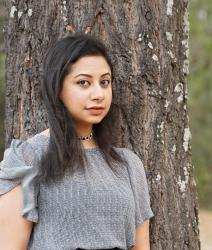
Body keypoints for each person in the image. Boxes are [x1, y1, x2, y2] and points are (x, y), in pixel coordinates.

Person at [0, 32, 154, 250]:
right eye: (84, 83)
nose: (99, 94)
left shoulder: (128, 165)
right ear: (58, 88)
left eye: (105, 82)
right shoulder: (27, 158)